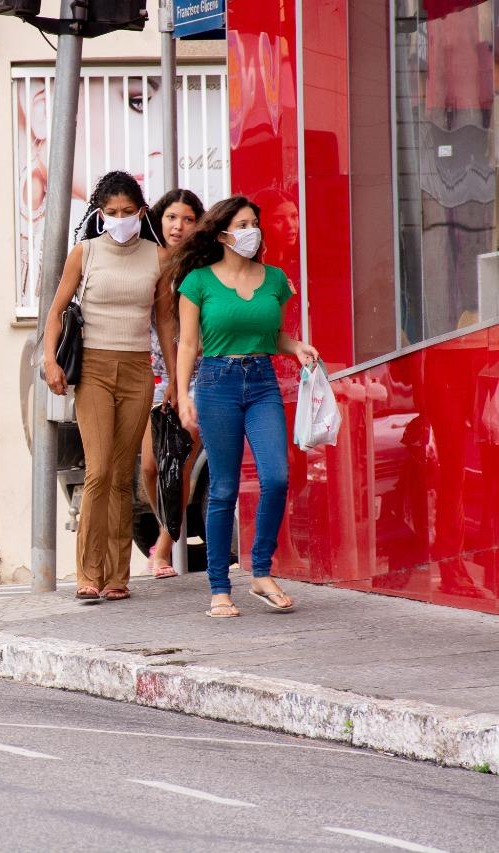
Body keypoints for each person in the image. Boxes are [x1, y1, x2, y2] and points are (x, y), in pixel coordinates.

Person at [173, 196, 320, 618]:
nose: (251, 231)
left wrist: (296, 348)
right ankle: (219, 587)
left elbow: (273, 335)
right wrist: (183, 396)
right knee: (223, 488)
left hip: (261, 382)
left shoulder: (275, 279)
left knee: (276, 477)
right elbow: (187, 344)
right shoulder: (197, 282)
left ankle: (260, 571)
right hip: (216, 382)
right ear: (222, 234)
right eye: (242, 224)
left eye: (255, 223)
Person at [43, 171, 178, 603]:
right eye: (112, 213)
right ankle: (88, 573)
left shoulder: (157, 257)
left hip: (138, 370)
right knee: (99, 471)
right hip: (96, 369)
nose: (120, 220)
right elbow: (57, 310)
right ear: (100, 214)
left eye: (128, 212)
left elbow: (164, 322)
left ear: (142, 211)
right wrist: (50, 360)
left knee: (123, 476)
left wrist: (174, 379)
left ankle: (118, 577)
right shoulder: (85, 253)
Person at [139, 189, 206, 578]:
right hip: (154, 371)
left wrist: (180, 381)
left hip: (196, 374)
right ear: (159, 219)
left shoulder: (202, 266)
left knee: (176, 461)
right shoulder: (146, 261)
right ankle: (169, 523)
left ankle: (164, 544)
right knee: (150, 466)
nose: (178, 226)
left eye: (188, 219)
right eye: (171, 218)